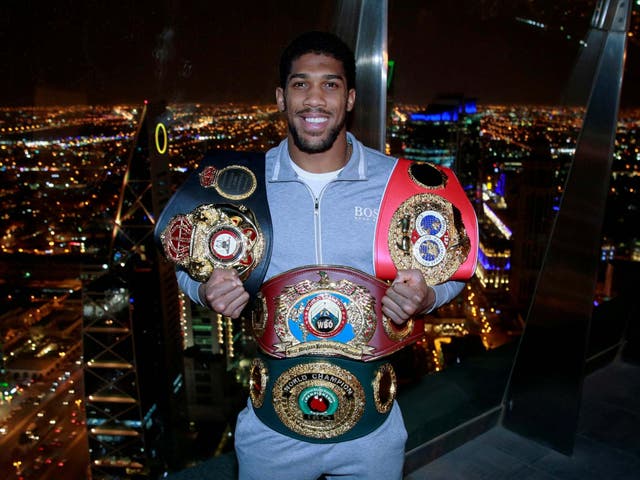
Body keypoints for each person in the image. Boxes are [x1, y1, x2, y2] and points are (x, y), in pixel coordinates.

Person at [160, 31, 472, 480]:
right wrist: (206, 291)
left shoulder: (397, 182)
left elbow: (453, 267)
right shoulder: (241, 184)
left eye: (330, 84)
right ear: (281, 98)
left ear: (350, 99)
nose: (314, 99)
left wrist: (427, 298)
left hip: (373, 434)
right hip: (271, 433)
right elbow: (186, 264)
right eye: (300, 84)